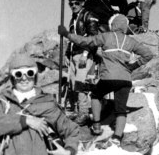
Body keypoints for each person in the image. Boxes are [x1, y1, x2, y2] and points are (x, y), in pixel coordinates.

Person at [59, 14, 154, 146]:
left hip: (108, 78)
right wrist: (133, 66)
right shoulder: (131, 41)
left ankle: (96, 127)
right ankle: (117, 137)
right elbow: (148, 54)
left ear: (113, 25)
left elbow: (84, 41)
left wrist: (66, 34)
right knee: (121, 109)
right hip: (125, 80)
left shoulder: (106, 36)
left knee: (96, 95)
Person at [66, 0, 99, 125]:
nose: (73, 6)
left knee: (80, 83)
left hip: (84, 55)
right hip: (74, 54)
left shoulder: (88, 15)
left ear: (82, 3)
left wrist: (85, 54)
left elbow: (93, 37)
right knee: (73, 83)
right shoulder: (73, 19)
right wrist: (68, 53)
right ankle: (77, 110)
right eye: (71, 4)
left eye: (76, 3)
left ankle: (84, 113)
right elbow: (71, 38)